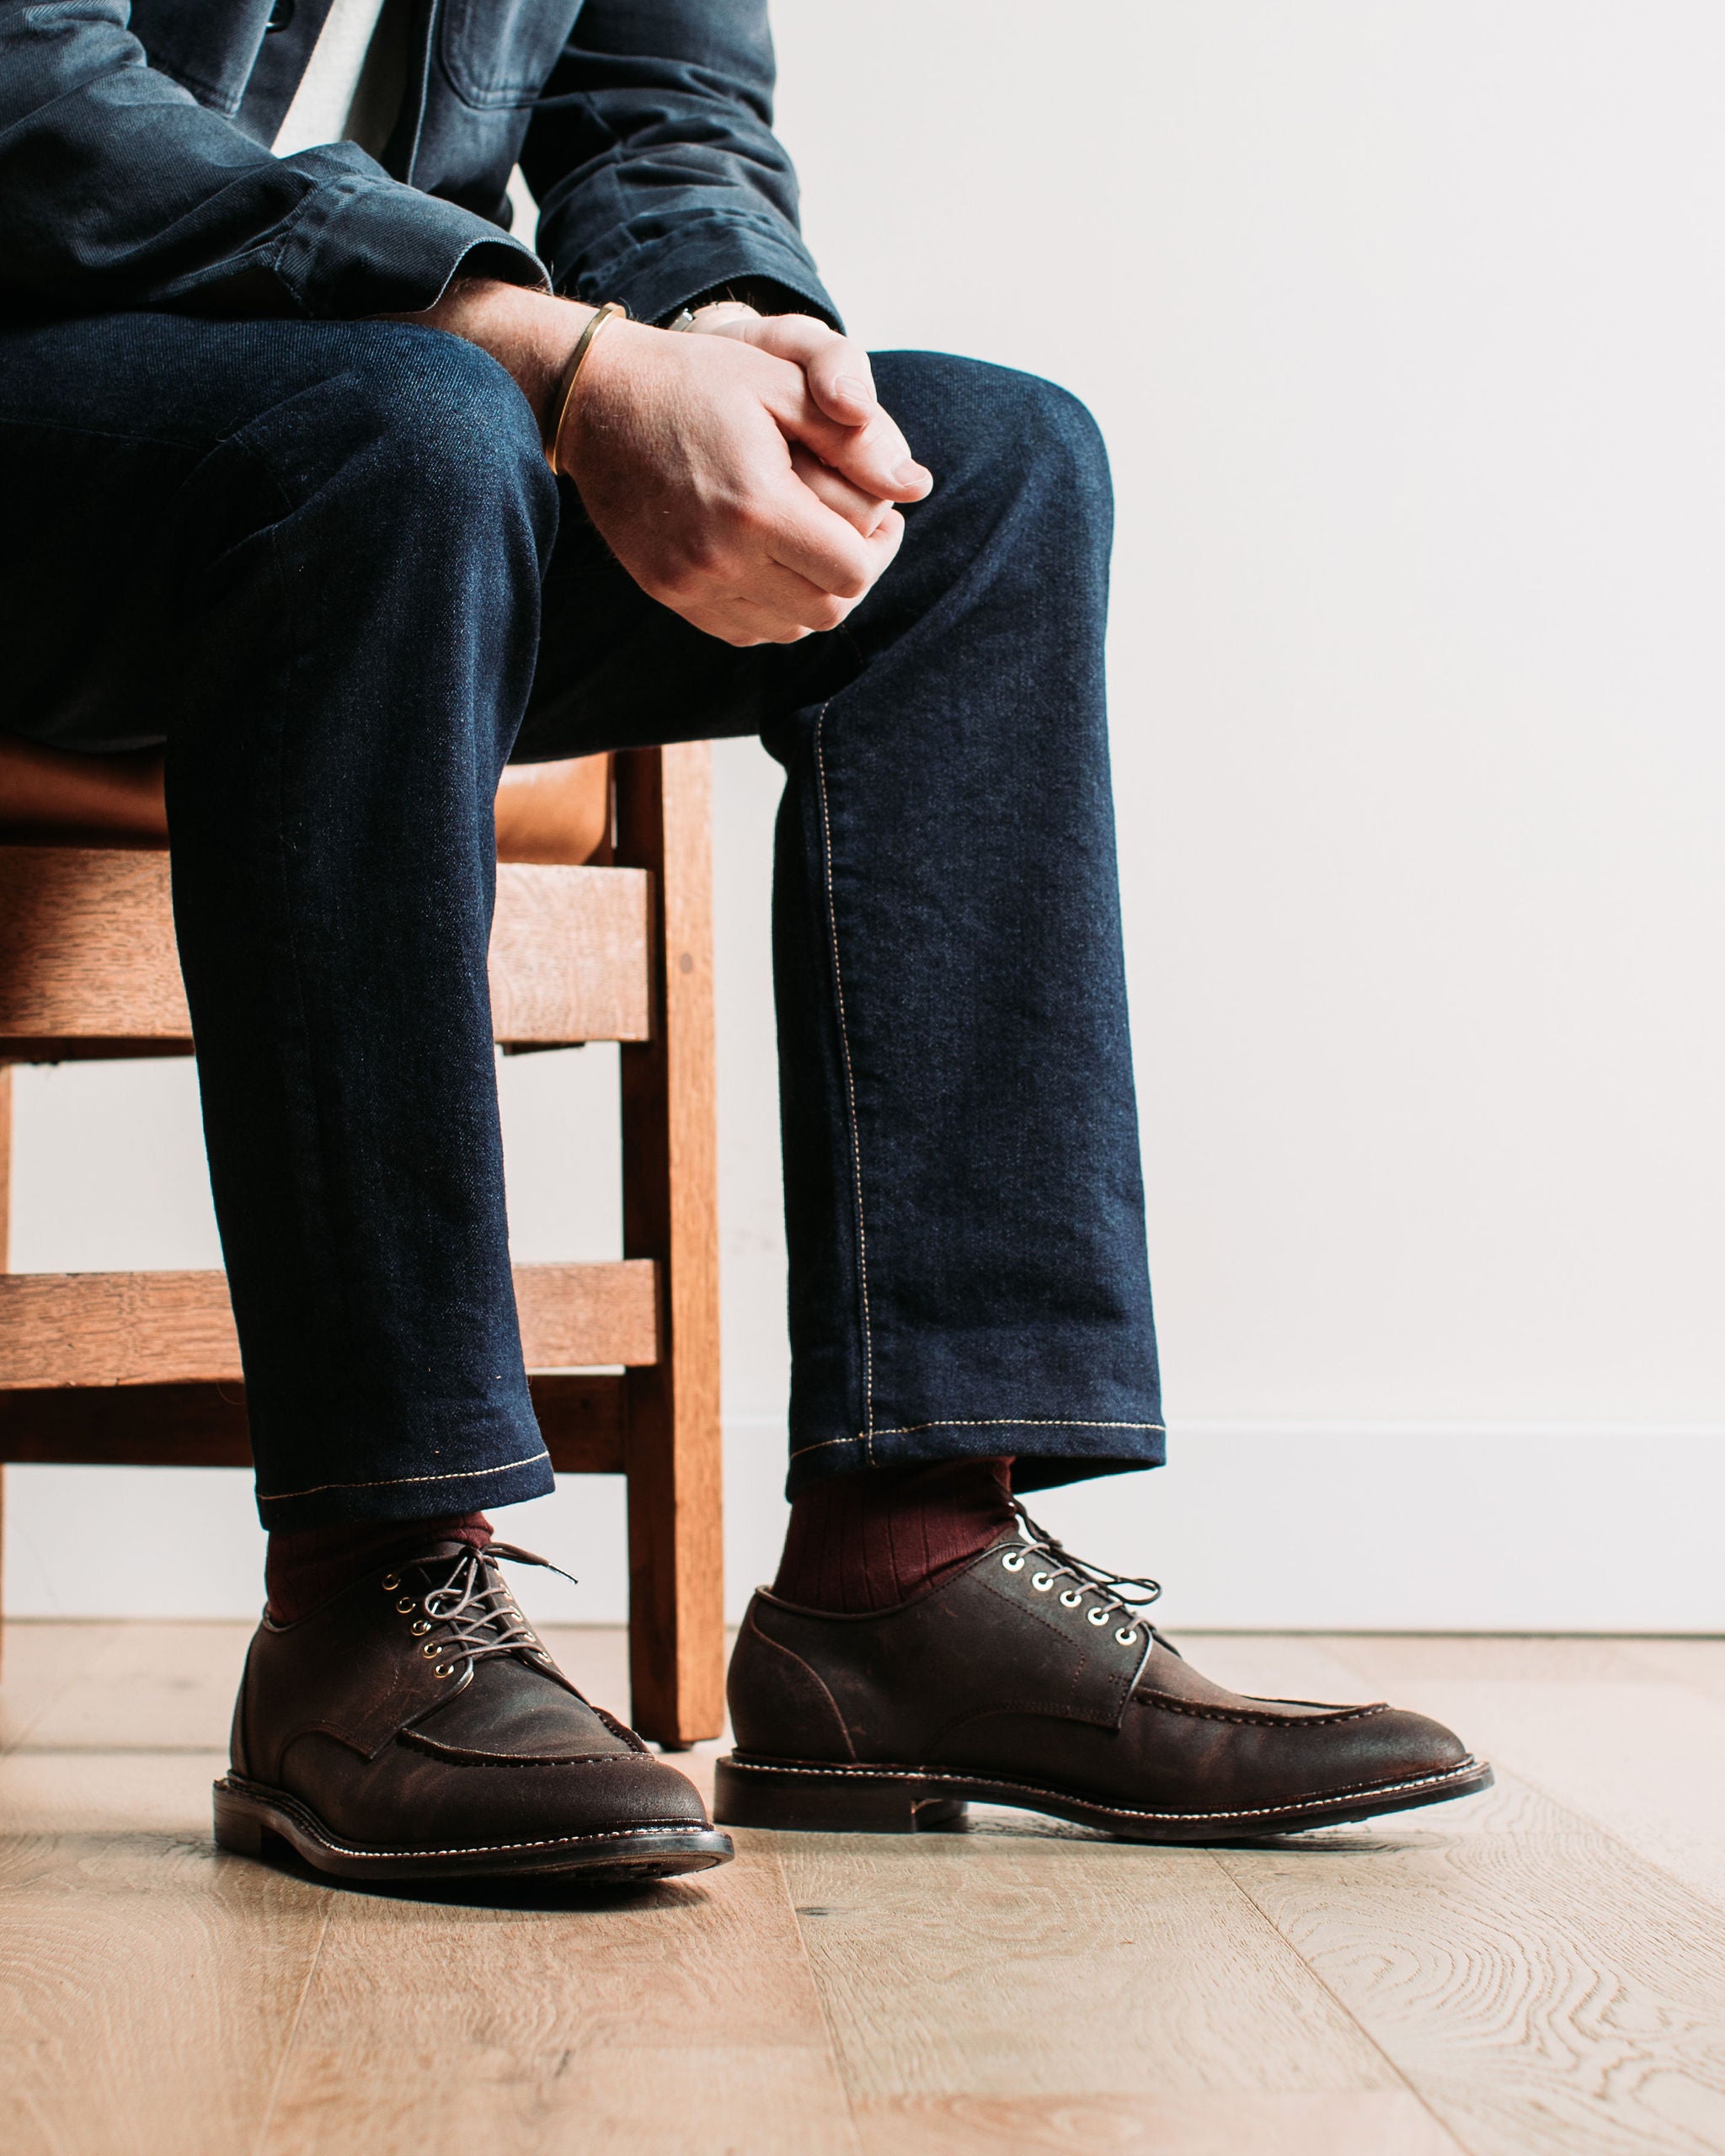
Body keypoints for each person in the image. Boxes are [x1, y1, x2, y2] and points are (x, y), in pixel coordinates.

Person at [0, 0, 1488, 1883]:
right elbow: (34, 93)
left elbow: (662, 99)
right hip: (96, 415)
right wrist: (547, 351)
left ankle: (908, 1576)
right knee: (408, 430)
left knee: (992, 474)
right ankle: (370, 1595)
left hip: (404, 430)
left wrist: (725, 324)